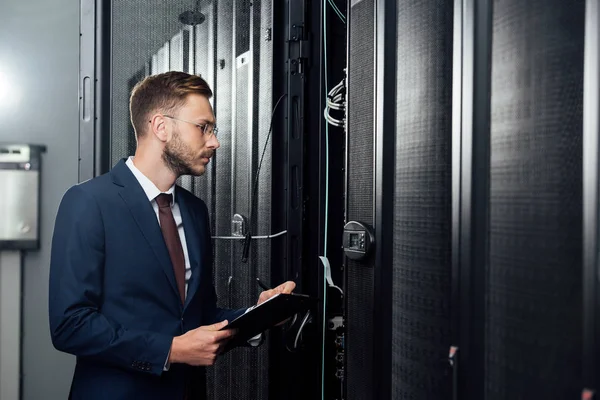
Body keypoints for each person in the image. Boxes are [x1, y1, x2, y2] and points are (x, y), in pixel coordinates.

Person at [48, 71, 295, 400]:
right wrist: (171, 351)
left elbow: (200, 317)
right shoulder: (89, 203)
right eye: (203, 127)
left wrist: (259, 315)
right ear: (161, 126)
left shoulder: (194, 210)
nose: (214, 141)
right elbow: (70, 326)